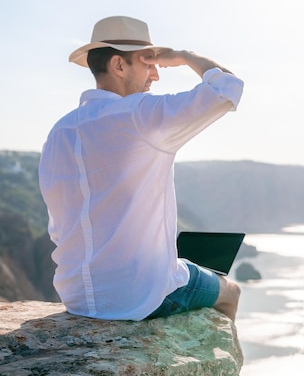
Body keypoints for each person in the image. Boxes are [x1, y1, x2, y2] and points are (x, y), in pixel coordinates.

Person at [38, 16, 244, 321]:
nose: (155, 76)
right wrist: (185, 56)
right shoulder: (140, 115)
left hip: (76, 296)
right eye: (148, 63)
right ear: (119, 66)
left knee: (181, 264)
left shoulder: (59, 131)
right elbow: (228, 89)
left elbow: (58, 226)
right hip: (138, 297)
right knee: (231, 292)